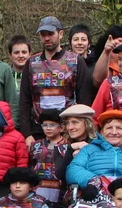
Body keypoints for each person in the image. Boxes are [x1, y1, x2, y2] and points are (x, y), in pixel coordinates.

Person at [17, 16, 91, 144]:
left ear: (60, 34)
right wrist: (27, 134)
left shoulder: (75, 61)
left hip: (68, 130)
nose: (46, 38)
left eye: (50, 34)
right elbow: (24, 101)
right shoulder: (31, 63)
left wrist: (77, 132)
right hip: (38, 130)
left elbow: (84, 100)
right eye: (43, 34)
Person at [66, 110, 122, 189]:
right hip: (96, 192)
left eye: (119, 128)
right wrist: (95, 181)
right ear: (102, 132)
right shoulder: (89, 149)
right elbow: (73, 169)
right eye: (109, 128)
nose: (114, 132)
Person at [28, 109, 70, 208]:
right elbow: (30, 165)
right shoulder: (36, 145)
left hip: (60, 189)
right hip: (39, 188)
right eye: (45, 125)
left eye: (52, 125)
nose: (48, 128)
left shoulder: (68, 146)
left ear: (61, 127)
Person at [88, 25, 122, 91]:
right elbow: (98, 82)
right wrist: (106, 51)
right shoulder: (98, 66)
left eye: (120, 40)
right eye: (113, 39)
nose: (116, 42)